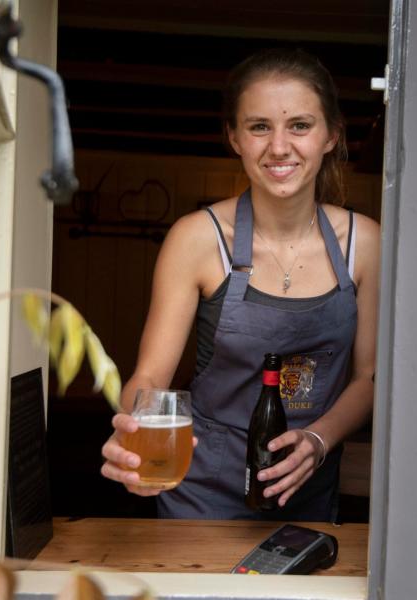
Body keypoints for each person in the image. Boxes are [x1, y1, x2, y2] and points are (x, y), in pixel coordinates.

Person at [99, 48, 380, 521]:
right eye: (258, 127)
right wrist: (131, 432)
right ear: (234, 137)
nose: (278, 147)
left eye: (299, 126)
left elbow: (368, 377)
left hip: (305, 496)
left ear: (331, 135)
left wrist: (318, 439)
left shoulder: (365, 243)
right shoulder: (197, 239)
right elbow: (149, 379)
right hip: (200, 494)